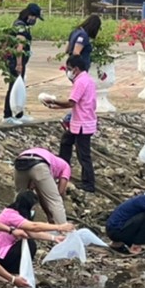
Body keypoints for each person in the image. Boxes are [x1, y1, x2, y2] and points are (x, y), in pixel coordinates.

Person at [0, 190, 73, 271]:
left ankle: (9, 271)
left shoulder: (17, 215)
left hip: (0, 252)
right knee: (30, 244)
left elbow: (32, 232)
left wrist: (54, 238)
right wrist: (59, 227)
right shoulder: (11, 215)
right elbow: (34, 227)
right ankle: (7, 272)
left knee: (27, 241)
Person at [46, 63, 98, 193]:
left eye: (69, 69)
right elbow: (77, 103)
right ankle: (63, 169)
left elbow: (71, 102)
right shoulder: (88, 80)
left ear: (76, 68)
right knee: (66, 142)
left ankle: (89, 183)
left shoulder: (80, 82)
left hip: (82, 123)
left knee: (83, 154)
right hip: (82, 120)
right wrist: (55, 107)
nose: (68, 72)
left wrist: (53, 101)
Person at [2, 3, 43, 121]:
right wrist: (19, 64)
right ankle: (8, 115)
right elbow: (19, 46)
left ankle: (18, 114)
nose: (35, 20)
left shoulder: (21, 25)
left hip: (18, 61)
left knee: (17, 87)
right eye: (34, 17)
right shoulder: (20, 26)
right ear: (29, 15)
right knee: (13, 87)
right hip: (16, 61)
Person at [13, 146, 71, 224]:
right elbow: (60, 191)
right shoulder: (66, 166)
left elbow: (41, 195)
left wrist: (48, 215)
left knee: (19, 197)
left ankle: (13, 224)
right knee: (55, 200)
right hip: (39, 163)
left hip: (20, 161)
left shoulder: (52, 161)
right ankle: (64, 230)